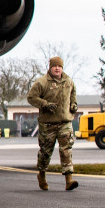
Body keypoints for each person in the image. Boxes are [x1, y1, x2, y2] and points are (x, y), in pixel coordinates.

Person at [27, 57, 78, 191]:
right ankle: (42, 174)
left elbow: (73, 95)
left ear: (62, 68)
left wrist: (73, 105)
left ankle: (69, 180)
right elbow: (31, 97)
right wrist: (44, 104)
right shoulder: (42, 82)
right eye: (54, 66)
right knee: (45, 152)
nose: (57, 68)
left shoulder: (69, 81)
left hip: (65, 122)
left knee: (66, 150)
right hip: (48, 124)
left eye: (59, 66)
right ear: (50, 68)